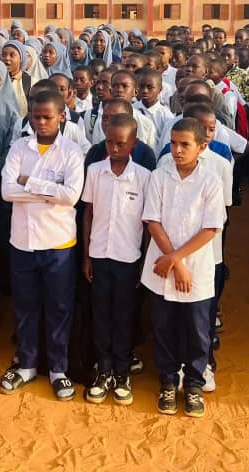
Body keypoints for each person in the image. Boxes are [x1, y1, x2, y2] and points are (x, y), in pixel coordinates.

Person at [0, 90, 85, 399]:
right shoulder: (19, 148)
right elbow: (6, 191)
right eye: (36, 116)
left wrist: (29, 182)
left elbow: (71, 195)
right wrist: (51, 190)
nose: (41, 122)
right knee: (25, 305)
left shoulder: (72, 152)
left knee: (59, 306)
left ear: (62, 115)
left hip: (58, 243)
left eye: (47, 116)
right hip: (22, 241)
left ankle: (58, 369)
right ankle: (27, 364)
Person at [141, 118, 225, 418]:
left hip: (195, 269)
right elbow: (152, 220)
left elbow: (210, 229)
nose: (177, 150)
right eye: (173, 143)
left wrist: (177, 260)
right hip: (162, 266)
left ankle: (193, 383)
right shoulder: (159, 177)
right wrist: (173, 262)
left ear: (202, 147)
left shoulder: (211, 182)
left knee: (197, 330)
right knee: (163, 326)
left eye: (185, 145)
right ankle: (167, 379)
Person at [80, 114, 152, 405]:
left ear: (133, 143)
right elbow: (88, 213)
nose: (114, 148)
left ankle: (122, 371)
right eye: (109, 142)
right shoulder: (96, 171)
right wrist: (86, 255)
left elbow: (148, 224)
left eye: (121, 143)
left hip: (128, 258)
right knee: (100, 314)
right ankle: (104, 369)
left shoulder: (145, 177)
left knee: (124, 316)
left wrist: (143, 262)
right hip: (99, 255)